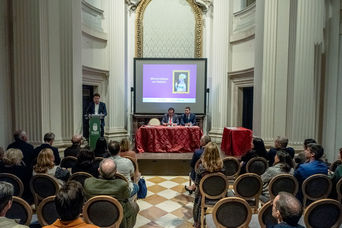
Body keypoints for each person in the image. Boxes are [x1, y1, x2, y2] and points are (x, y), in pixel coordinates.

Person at [83, 158, 139, 228]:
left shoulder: (88, 183)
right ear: (116, 171)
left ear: (99, 170)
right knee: (135, 206)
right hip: (117, 218)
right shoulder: (122, 185)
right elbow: (127, 196)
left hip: (94, 217)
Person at [193, 142, 224, 228]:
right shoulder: (222, 167)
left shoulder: (201, 168)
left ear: (205, 153)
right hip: (220, 194)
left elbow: (196, 183)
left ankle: (198, 222)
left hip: (204, 195)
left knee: (197, 197)